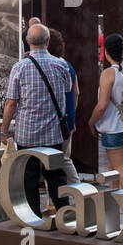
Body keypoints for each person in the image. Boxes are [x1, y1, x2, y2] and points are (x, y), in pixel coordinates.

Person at [1, 23, 72, 218]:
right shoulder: (61, 65)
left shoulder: (19, 67)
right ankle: (65, 215)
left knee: (29, 177)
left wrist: (4, 130)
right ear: (48, 41)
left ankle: (32, 216)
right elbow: (67, 91)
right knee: (56, 176)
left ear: (27, 41)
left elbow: (11, 103)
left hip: (27, 134)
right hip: (53, 133)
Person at [90, 32, 123, 190]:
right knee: (114, 169)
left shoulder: (108, 73)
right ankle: (115, 201)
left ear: (106, 52)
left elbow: (102, 106)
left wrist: (91, 122)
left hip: (114, 127)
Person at [45, 28, 82, 184]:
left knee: (49, 160)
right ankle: (78, 193)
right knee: (65, 159)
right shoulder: (67, 65)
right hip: (67, 121)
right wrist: (71, 115)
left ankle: (53, 202)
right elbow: (76, 93)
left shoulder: (48, 66)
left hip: (51, 122)